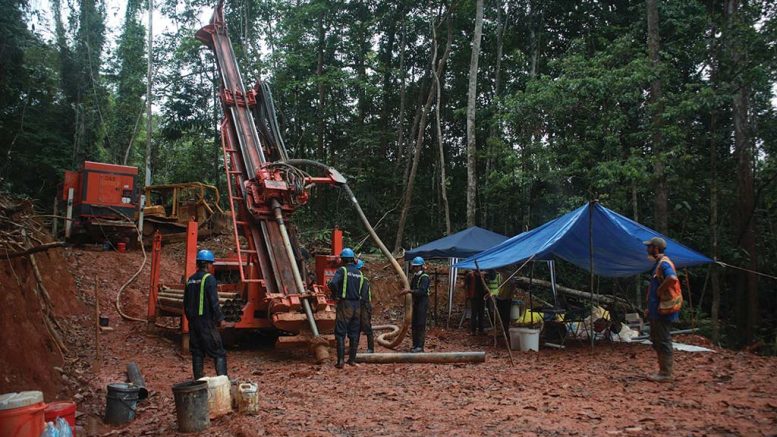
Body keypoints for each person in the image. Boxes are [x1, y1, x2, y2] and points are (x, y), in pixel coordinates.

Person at [183, 249, 229, 379]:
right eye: (211, 264)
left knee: (197, 352)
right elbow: (214, 301)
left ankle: (198, 382)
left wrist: (191, 319)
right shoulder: (209, 279)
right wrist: (220, 319)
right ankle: (223, 382)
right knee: (219, 352)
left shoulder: (190, 280)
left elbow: (185, 303)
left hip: (193, 323)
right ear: (208, 264)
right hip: (206, 323)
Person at [644, 237, 683, 383]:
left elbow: (672, 278)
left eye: (649, 247)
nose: (647, 249)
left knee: (663, 339)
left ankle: (666, 373)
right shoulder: (658, 264)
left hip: (663, 310)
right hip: (656, 310)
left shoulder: (664, 263)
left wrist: (661, 289)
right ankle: (663, 370)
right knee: (657, 339)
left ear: (655, 248)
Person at [327, 248, 364, 368]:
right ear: (352, 259)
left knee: (340, 333)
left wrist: (335, 295)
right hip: (357, 306)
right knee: (354, 333)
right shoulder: (359, 273)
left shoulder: (342, 270)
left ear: (342, 260)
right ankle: (352, 360)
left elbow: (332, 283)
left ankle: (341, 362)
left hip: (345, 305)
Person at [402, 257, 430, 352]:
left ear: (421, 267)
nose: (415, 268)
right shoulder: (415, 277)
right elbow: (412, 288)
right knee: (414, 324)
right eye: (414, 267)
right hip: (416, 303)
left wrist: (409, 291)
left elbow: (422, 291)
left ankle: (420, 347)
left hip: (422, 302)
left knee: (420, 324)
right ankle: (415, 345)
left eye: (417, 267)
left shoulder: (425, 277)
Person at [356, 259, 374, 353]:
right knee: (356, 327)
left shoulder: (364, 280)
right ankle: (354, 348)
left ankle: (371, 348)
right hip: (358, 306)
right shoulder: (356, 279)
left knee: (366, 327)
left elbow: (363, 295)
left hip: (364, 306)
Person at [487, 270, 511, 336]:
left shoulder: (500, 276)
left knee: (501, 314)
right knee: (496, 312)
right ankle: (499, 328)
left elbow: (500, 286)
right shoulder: (493, 276)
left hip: (499, 297)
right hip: (496, 296)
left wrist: (498, 294)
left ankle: (502, 329)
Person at [465, 270, 487, 335]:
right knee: (474, 314)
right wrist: (467, 296)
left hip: (482, 297)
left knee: (481, 314)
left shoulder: (483, 275)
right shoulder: (470, 275)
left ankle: (480, 330)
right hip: (474, 297)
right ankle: (473, 331)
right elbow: (466, 286)